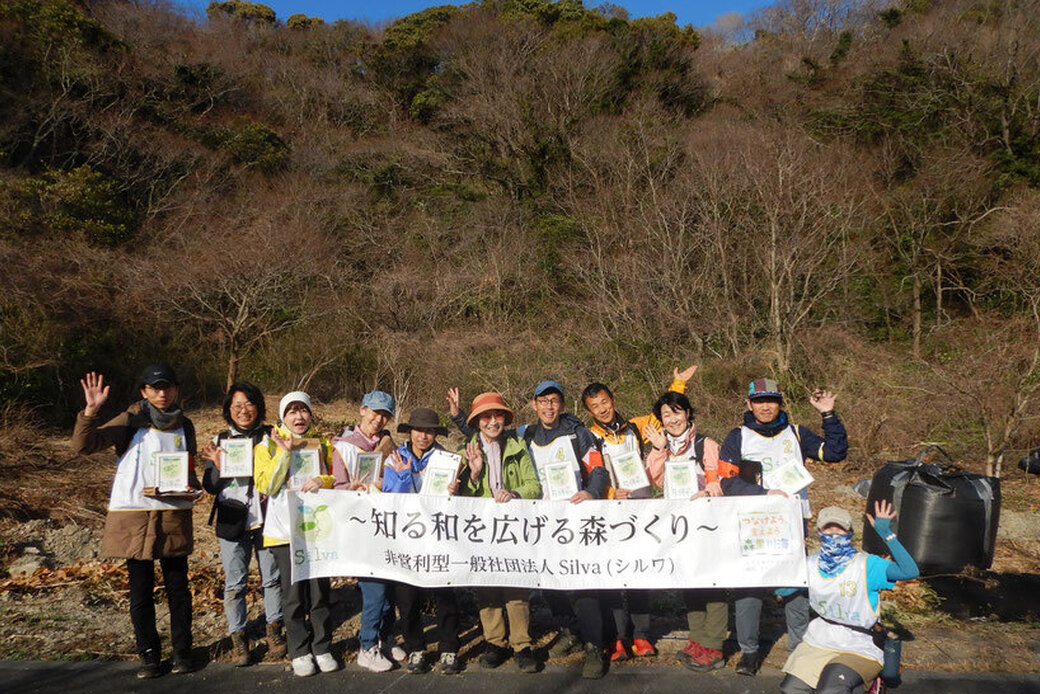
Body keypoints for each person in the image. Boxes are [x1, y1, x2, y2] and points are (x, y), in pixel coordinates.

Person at [71, 365, 201, 678]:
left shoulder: (186, 425)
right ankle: (149, 657)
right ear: (143, 391)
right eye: (154, 388)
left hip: (172, 514)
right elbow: (83, 446)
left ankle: (183, 653)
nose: (162, 393)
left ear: (176, 389)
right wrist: (90, 411)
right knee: (140, 590)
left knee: (178, 589)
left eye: (167, 386)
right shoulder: (129, 420)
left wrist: (193, 488)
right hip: (134, 516)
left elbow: (190, 468)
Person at [719, 378, 849, 676]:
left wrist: (828, 414)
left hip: (792, 524)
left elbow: (834, 453)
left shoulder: (796, 433)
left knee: (795, 589)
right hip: (752, 523)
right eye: (760, 400)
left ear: (780, 403)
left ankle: (798, 652)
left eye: (772, 400)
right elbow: (727, 481)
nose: (766, 406)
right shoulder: (737, 436)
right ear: (749, 404)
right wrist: (765, 494)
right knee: (749, 590)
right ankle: (749, 652)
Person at [580, 366, 695, 662]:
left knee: (639, 573)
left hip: (641, 510)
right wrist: (608, 493)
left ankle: (642, 635)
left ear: (612, 399)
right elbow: (589, 472)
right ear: (589, 410)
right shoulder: (588, 436)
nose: (602, 409)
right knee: (613, 576)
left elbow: (665, 417)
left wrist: (678, 384)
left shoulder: (635, 426)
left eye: (605, 402)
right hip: (608, 512)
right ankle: (619, 638)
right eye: (595, 406)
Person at [779, 501, 918, 694]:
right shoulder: (810, 565)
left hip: (859, 643)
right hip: (820, 639)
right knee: (791, 689)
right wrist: (791, 555)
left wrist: (887, 533)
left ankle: (866, 686)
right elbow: (781, 591)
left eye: (840, 529)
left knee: (831, 688)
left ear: (850, 533)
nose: (833, 534)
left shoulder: (867, 565)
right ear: (819, 533)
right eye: (828, 529)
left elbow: (910, 571)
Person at [524, 380, 611, 679]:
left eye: (554, 401)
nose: (548, 406)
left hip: (575, 520)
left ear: (562, 405)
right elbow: (487, 431)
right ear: (534, 404)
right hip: (542, 523)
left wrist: (592, 492)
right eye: (543, 400)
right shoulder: (526, 435)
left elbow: (598, 468)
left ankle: (595, 646)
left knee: (582, 583)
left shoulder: (578, 434)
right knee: (548, 581)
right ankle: (569, 629)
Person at [639, 391, 728, 672]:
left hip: (707, 524)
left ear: (688, 413)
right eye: (666, 415)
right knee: (690, 582)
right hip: (678, 527)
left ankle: (713, 646)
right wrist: (658, 449)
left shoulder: (706, 444)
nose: (673, 419)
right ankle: (697, 639)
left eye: (677, 412)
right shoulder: (663, 445)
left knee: (712, 584)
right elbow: (652, 480)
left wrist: (707, 492)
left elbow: (719, 479)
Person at [454, 392, 542, 674]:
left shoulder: (517, 445)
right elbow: (461, 495)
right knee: (487, 587)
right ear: (477, 421)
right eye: (486, 416)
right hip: (481, 530)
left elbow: (534, 486)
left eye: (497, 415)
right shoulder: (465, 449)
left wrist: (514, 493)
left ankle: (522, 645)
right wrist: (476, 475)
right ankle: (495, 642)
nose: (493, 421)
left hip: (514, 527)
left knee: (517, 587)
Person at [200, 381, 285, 666]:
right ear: (228, 410)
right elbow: (209, 486)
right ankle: (238, 638)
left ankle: (275, 630)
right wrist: (219, 469)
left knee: (271, 579)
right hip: (232, 519)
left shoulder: (271, 437)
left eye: (248, 404)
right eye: (236, 406)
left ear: (258, 407)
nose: (243, 410)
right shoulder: (220, 440)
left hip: (266, 517)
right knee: (235, 584)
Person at [254, 391, 336, 677]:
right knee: (293, 596)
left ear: (311, 414)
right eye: (292, 411)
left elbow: (333, 478)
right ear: (282, 416)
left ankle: (322, 646)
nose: (299, 417)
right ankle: (299, 650)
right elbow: (267, 485)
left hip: (316, 531)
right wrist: (285, 453)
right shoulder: (266, 445)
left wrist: (321, 479)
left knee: (319, 593)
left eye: (304, 411)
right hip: (283, 531)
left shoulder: (321, 443)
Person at [382, 408, 463, 675]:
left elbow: (456, 505)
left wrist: (455, 491)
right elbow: (391, 498)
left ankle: (449, 648)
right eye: (418, 430)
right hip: (407, 540)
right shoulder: (395, 458)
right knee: (407, 597)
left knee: (445, 593)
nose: (423, 436)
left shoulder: (448, 460)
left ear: (435, 434)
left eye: (429, 431)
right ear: (409, 432)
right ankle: (416, 646)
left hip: (440, 538)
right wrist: (406, 476)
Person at [329, 390, 401, 672]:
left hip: (386, 527)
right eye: (375, 412)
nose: (379, 418)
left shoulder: (389, 445)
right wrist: (352, 488)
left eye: (385, 415)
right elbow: (334, 489)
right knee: (374, 590)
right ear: (362, 410)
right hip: (359, 529)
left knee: (389, 587)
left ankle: (384, 637)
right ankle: (367, 646)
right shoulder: (344, 447)